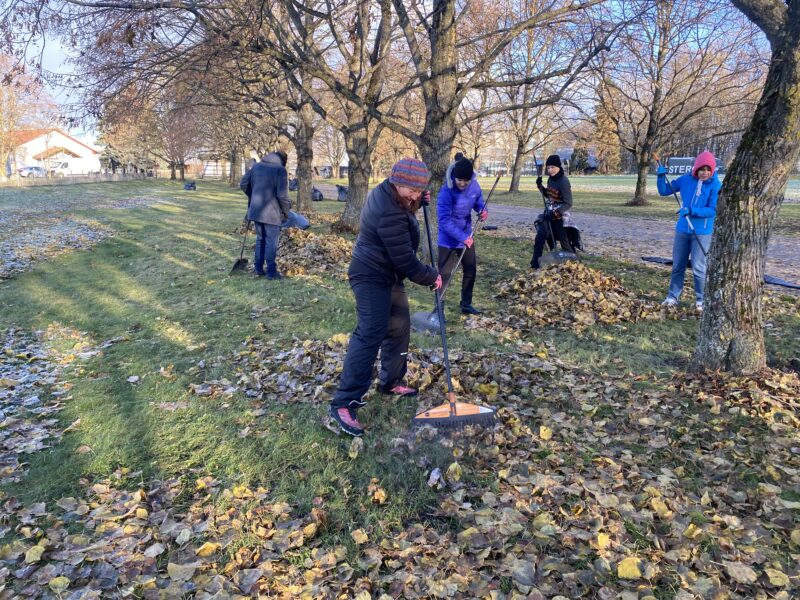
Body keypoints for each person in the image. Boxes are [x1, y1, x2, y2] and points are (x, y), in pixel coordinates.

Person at [329, 158, 442, 436]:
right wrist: (431, 276)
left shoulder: (393, 193)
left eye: (419, 190)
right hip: (370, 275)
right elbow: (405, 260)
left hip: (387, 274)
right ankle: (345, 402)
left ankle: (391, 381)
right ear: (396, 182)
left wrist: (416, 201)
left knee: (400, 326)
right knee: (371, 332)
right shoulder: (387, 211)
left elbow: (407, 208)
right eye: (412, 191)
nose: (415, 195)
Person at [657, 151, 721, 311]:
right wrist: (660, 176)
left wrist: (692, 210)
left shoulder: (715, 184)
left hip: (702, 231)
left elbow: (712, 210)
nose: (704, 173)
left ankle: (701, 300)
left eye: (708, 169)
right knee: (678, 265)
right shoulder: (686, 179)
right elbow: (664, 190)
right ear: (696, 169)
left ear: (712, 170)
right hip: (683, 229)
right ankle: (672, 297)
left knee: (699, 267)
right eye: (702, 169)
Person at [437, 158, 488, 315]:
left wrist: (482, 210)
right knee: (444, 275)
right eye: (460, 180)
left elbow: (478, 200)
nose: (463, 184)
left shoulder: (474, 185)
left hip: (466, 235)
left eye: (466, 180)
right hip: (447, 238)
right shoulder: (446, 191)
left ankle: (466, 303)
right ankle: (439, 308)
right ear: (454, 177)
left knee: (470, 270)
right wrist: (462, 238)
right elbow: (444, 221)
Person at [239, 150, 290, 280]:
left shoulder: (256, 166)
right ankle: (271, 273)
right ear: (283, 161)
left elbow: (243, 184)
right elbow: (282, 195)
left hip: (256, 211)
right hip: (271, 213)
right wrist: (286, 211)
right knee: (271, 242)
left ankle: (258, 269)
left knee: (260, 240)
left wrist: (254, 196)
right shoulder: (280, 170)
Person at [530, 154, 574, 269]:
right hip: (548, 214)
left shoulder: (564, 182)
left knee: (564, 242)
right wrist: (540, 186)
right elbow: (549, 196)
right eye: (548, 168)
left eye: (552, 167)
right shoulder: (550, 180)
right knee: (540, 238)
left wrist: (555, 213)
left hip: (560, 216)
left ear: (558, 167)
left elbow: (568, 203)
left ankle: (572, 266)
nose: (550, 170)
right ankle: (535, 265)